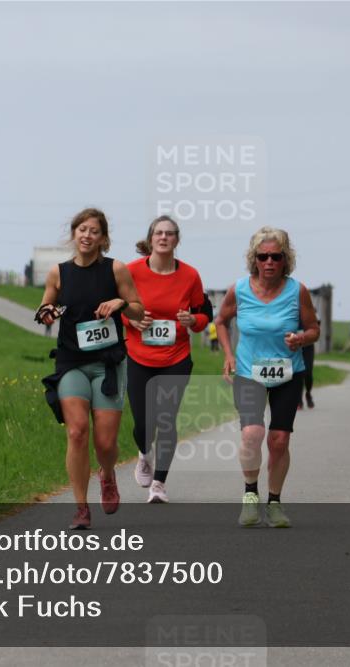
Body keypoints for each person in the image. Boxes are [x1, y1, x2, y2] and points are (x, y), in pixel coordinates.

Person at [36, 208, 145, 530]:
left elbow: (139, 311)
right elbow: (44, 307)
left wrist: (121, 304)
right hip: (71, 362)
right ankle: (81, 507)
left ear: (103, 238)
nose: (87, 236)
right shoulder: (58, 272)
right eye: (82, 229)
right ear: (74, 234)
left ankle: (107, 474)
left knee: (106, 443)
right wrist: (47, 314)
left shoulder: (116, 270)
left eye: (94, 231)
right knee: (77, 431)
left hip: (107, 364)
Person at [215, 227, 320, 528]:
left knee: (279, 439)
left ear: (286, 260)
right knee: (252, 434)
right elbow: (220, 321)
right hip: (249, 372)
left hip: (288, 372)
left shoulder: (297, 290)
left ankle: (274, 502)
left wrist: (301, 338)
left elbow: (314, 330)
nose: (270, 262)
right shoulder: (240, 289)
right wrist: (228, 354)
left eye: (276, 256)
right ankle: (250, 495)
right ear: (255, 260)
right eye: (263, 257)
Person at [123, 215, 211, 503]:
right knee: (142, 423)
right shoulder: (131, 271)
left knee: (166, 418)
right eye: (158, 233)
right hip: (138, 355)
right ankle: (144, 452)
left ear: (177, 240)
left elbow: (203, 317)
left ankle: (159, 483)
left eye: (170, 234)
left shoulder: (190, 276)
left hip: (176, 356)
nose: (163, 238)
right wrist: (131, 321)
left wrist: (191, 320)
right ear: (150, 239)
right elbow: (116, 308)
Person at [298, 319, 319, 409]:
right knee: (297, 373)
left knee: (308, 372)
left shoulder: (310, 308)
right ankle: (299, 400)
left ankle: (308, 394)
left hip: (308, 346)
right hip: (294, 345)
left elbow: (317, 326)